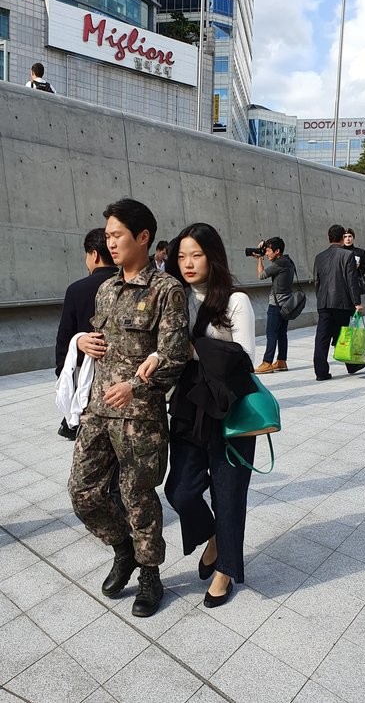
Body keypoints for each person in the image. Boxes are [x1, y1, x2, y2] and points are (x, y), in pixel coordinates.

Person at [68, 198, 188, 618]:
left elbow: (173, 358)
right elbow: (99, 341)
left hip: (140, 418)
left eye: (117, 235)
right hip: (98, 411)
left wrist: (137, 384)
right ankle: (124, 550)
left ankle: (150, 573)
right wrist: (82, 341)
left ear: (143, 237)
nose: (109, 242)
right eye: (107, 235)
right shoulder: (106, 288)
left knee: (137, 496)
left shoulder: (167, 291)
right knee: (82, 493)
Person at [137, 223, 257, 609]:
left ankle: (226, 570)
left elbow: (245, 359)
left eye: (197, 255)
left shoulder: (236, 301)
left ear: (213, 257)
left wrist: (195, 349)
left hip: (229, 410)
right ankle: (215, 536)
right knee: (180, 490)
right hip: (189, 407)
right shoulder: (177, 297)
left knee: (229, 494)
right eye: (182, 256)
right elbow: (165, 347)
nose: (187, 264)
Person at [55, 228, 118, 439]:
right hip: (124, 383)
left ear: (94, 254)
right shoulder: (130, 286)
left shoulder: (77, 289)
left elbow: (64, 337)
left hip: (87, 379)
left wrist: (62, 374)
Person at [313, 224, 364, 381]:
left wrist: (320, 298)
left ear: (329, 238)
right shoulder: (347, 256)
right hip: (341, 303)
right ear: (343, 238)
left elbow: (316, 281)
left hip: (324, 302)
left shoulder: (319, 257)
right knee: (344, 335)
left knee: (322, 337)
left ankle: (321, 372)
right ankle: (352, 365)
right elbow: (351, 281)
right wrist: (357, 303)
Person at [253, 236, 294, 374]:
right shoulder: (288, 261)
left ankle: (267, 362)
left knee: (271, 333)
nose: (266, 253)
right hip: (286, 304)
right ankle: (282, 361)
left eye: (268, 250)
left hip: (276, 305)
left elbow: (261, 275)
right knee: (282, 333)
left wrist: (259, 259)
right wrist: (264, 247)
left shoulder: (279, 264)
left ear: (277, 251)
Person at [343, 228, 365, 293]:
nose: (348, 239)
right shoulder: (339, 252)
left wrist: (356, 269)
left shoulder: (360, 252)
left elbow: (363, 268)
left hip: (355, 284)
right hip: (341, 285)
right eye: (345, 237)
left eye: (350, 236)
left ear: (353, 237)